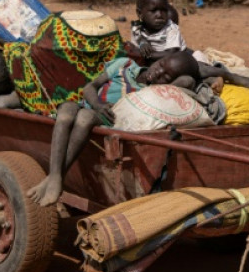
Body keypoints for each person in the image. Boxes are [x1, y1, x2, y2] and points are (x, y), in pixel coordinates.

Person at [26, 51, 201, 207]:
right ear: (158, 59)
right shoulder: (125, 65)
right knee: (65, 112)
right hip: (90, 104)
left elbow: (188, 80)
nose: (159, 72)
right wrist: (97, 104)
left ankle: (55, 179)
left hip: (101, 119)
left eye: (166, 76)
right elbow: (90, 87)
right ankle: (55, 175)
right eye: (161, 65)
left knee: (85, 118)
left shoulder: (150, 91)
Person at [129, 0, 249, 91]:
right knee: (184, 80)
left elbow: (172, 53)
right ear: (140, 13)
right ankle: (185, 84)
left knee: (199, 67)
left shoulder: (170, 28)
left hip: (177, 63)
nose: (159, 15)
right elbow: (136, 51)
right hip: (156, 69)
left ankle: (228, 75)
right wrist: (140, 47)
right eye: (154, 11)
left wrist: (148, 55)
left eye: (163, 10)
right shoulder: (137, 29)